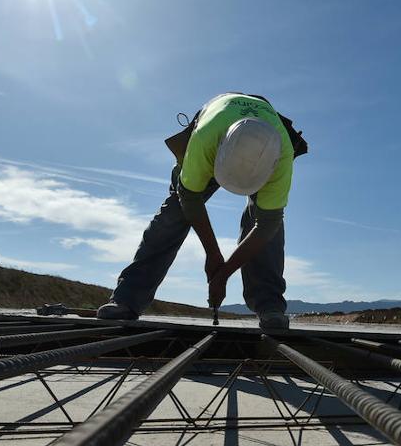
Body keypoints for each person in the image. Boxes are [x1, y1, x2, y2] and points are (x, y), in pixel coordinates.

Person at [96, 92, 307, 330]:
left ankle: (270, 307)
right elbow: (190, 200)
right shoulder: (205, 139)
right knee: (174, 213)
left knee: (270, 229)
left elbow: (267, 226)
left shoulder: (282, 156)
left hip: (262, 134)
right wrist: (213, 255)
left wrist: (223, 273)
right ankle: (126, 300)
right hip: (217, 119)